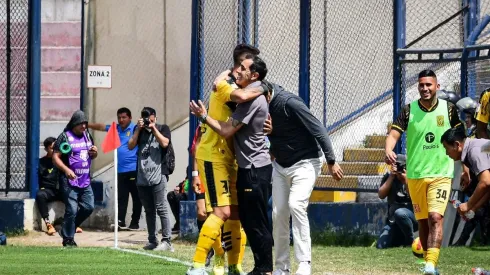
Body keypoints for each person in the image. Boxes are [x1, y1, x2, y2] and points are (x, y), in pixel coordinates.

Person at [215, 74, 342, 275]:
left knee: (296, 204)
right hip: (281, 166)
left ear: (267, 95)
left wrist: (332, 160)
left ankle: (304, 264)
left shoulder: (289, 102)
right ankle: (282, 267)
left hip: (306, 162)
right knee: (278, 213)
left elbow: (317, 128)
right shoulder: (259, 105)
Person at [190, 55, 273, 275]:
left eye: (242, 67)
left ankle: (238, 266)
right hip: (216, 156)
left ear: (252, 74)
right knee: (223, 212)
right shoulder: (227, 87)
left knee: (239, 215)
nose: (237, 70)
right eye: (238, 65)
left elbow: (245, 105)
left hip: (240, 162)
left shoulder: (249, 95)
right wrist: (263, 87)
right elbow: (235, 93)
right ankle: (198, 265)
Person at [385, 70, 462, 275]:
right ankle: (430, 264)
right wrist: (388, 149)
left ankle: (431, 264)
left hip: (441, 173)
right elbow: (394, 133)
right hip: (416, 175)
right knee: (423, 221)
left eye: (429, 85)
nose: (425, 88)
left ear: (437, 86)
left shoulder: (450, 110)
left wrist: (467, 165)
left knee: (435, 217)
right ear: (418, 87)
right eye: (421, 85)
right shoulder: (409, 111)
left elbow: (460, 138)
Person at [127, 107, 174, 252]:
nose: (148, 120)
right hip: (142, 177)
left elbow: (165, 143)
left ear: (155, 117)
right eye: (145, 117)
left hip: (159, 175)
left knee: (161, 208)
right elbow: (130, 145)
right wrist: (137, 130)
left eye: (150, 117)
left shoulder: (163, 128)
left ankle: (167, 241)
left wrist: (154, 129)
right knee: (149, 210)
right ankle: (152, 240)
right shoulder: (139, 130)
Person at [88, 107, 142, 230]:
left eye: (124, 117)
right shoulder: (115, 128)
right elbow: (101, 127)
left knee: (137, 197)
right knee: (121, 197)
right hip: (120, 170)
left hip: (133, 169)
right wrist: (87, 125)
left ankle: (135, 223)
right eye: (119, 117)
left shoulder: (135, 128)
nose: (121, 120)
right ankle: (120, 221)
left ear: (130, 118)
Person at [52, 110, 97, 247]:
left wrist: (94, 153)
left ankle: (67, 227)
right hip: (69, 180)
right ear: (73, 124)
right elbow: (55, 157)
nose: (83, 126)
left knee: (89, 207)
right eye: (80, 124)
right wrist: (66, 170)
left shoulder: (87, 136)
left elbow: (92, 155)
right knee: (71, 209)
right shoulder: (65, 137)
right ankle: (68, 239)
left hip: (85, 179)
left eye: (85, 123)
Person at [441, 127, 490, 226]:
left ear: (456, 145)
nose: (446, 153)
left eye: (446, 148)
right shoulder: (475, 147)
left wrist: (468, 204)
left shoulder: (474, 151)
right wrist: (473, 209)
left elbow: (485, 182)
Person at [376, 154, 418, 249]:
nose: (399, 168)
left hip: (412, 218)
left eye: (401, 165)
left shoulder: (413, 177)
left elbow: (415, 198)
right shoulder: (389, 177)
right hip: (393, 222)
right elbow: (381, 195)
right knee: (380, 246)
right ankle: (400, 239)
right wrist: (391, 177)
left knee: (400, 213)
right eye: (396, 165)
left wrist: (405, 181)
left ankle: (409, 241)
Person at [36, 137, 63, 236]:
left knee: (73, 193)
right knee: (40, 195)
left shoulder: (62, 160)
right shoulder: (41, 162)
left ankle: (73, 223)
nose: (55, 150)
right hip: (48, 190)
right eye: (52, 148)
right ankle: (48, 224)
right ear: (46, 149)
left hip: (60, 189)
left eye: (56, 147)